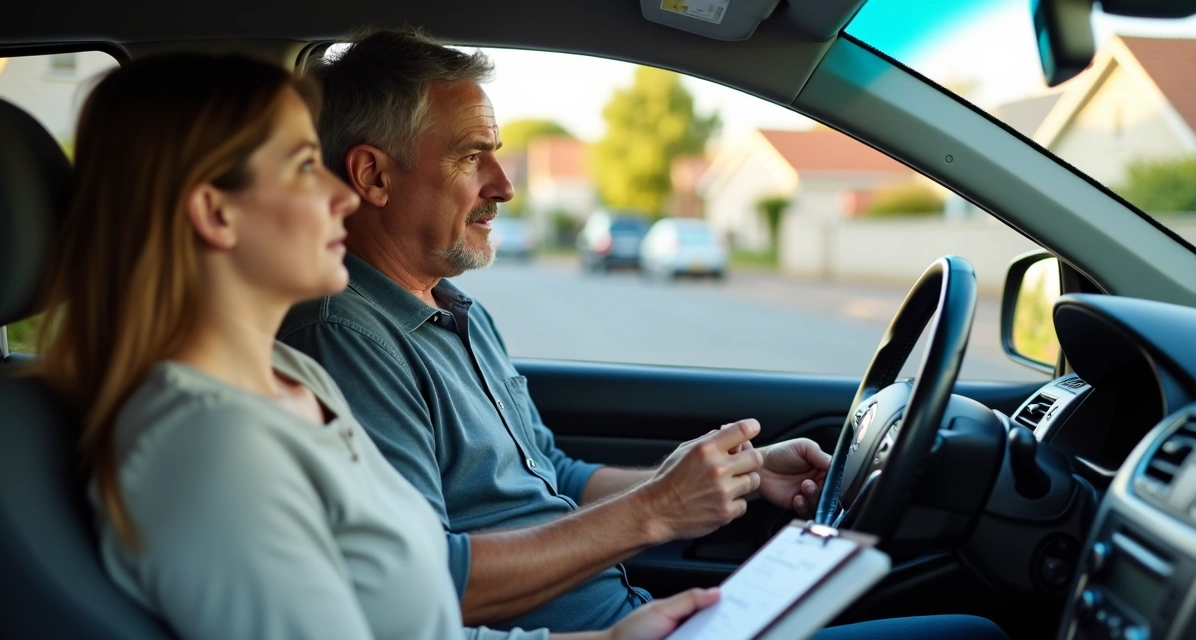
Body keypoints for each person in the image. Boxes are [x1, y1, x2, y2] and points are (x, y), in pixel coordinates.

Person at [279, 29, 1008, 640]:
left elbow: (552, 481)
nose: (504, 185)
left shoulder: (456, 311)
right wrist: (654, 512)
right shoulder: (348, 340)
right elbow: (421, 588)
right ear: (374, 176)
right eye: (473, 156)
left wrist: (739, 478)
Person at [37, 51, 723, 640]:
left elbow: (415, 618)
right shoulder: (212, 444)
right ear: (217, 213)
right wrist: (654, 514)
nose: (341, 195)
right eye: (306, 167)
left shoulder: (294, 374)